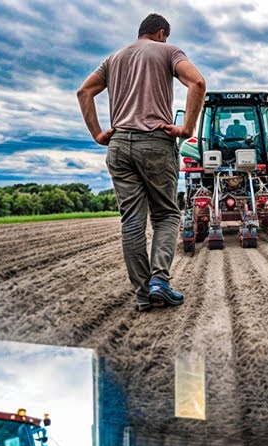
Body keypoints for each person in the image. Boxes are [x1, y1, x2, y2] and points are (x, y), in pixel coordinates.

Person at [76, 13, 205, 312]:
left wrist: (98, 133)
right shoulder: (168, 51)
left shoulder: (113, 59)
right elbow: (197, 82)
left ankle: (143, 294)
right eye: (165, 36)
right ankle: (160, 280)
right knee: (167, 215)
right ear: (161, 33)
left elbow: (84, 91)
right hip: (155, 142)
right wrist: (187, 129)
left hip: (119, 144)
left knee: (132, 220)